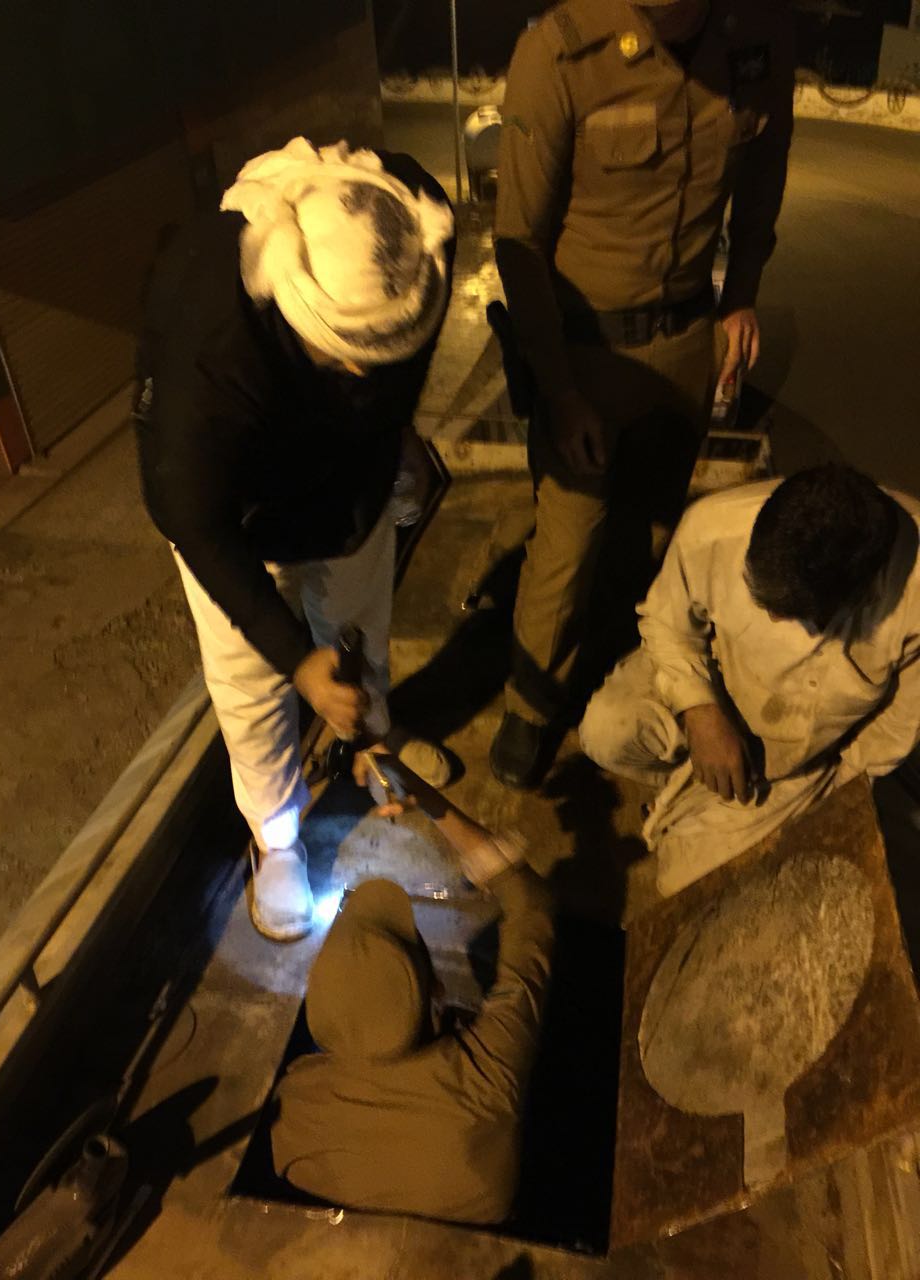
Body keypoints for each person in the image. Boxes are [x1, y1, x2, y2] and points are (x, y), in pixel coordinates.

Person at [134, 138, 455, 942]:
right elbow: (192, 519)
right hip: (238, 519)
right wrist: (295, 658)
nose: (369, 379)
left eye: (387, 358)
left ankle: (371, 741)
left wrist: (396, 436)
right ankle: (275, 839)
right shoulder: (207, 335)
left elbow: (385, 379)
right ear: (291, 315)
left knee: (359, 635)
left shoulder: (412, 230)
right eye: (349, 360)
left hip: (349, 490)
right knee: (251, 682)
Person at [490, 0, 796, 788]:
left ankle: (624, 660)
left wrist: (741, 295)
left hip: (687, 340)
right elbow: (519, 242)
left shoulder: (757, 36)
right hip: (585, 353)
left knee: (656, 529)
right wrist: (559, 390)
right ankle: (531, 707)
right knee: (567, 542)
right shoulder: (560, 53)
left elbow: (764, 175)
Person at [579, 466, 920, 896]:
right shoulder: (715, 526)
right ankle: (694, 787)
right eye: (760, 598)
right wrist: (700, 710)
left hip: (803, 759)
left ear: (855, 597)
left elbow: (890, 733)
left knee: (681, 884)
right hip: (716, 677)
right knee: (604, 733)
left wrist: (830, 795)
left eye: (789, 613)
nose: (771, 618)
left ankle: (704, 800)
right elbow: (667, 624)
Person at [271, 764, 554, 1224]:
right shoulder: (488, 1068)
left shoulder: (296, 1099)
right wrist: (429, 798)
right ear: (436, 989)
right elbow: (533, 905)